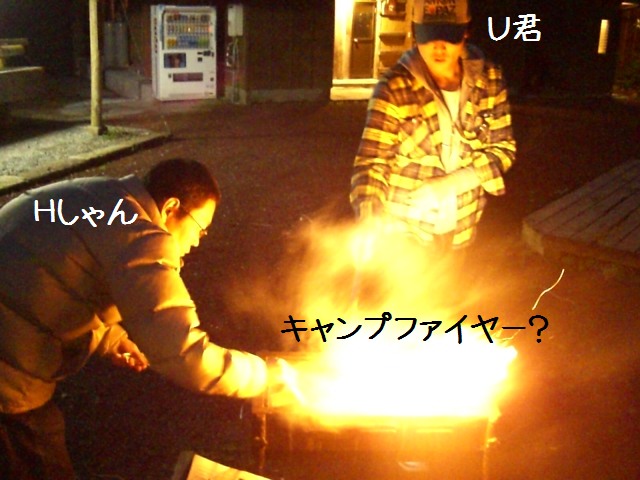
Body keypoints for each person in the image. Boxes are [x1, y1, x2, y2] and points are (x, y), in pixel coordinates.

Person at [0, 159, 287, 479]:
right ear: (171, 208)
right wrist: (262, 375)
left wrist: (110, 339)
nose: (198, 240)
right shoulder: (140, 235)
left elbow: (55, 278)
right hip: (8, 374)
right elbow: (184, 353)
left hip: (10, 337)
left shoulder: (101, 196)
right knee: (38, 458)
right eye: (200, 227)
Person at [350, 0, 516, 256]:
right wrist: (370, 218)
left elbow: (503, 149)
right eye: (429, 37)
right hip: (405, 237)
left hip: (462, 229)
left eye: (449, 36)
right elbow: (373, 164)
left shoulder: (490, 80)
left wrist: (452, 184)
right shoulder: (394, 88)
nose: (439, 47)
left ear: (466, 31)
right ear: (415, 32)